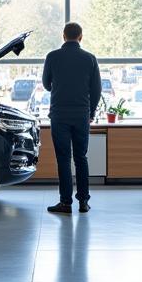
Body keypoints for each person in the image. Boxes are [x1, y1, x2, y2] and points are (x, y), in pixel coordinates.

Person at [42, 22, 102, 214]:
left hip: (59, 114)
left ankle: (65, 202)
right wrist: (90, 113)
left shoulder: (52, 57)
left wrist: (59, 88)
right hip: (81, 115)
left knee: (63, 158)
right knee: (81, 157)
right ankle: (83, 201)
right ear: (81, 37)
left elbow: (46, 83)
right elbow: (96, 90)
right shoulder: (90, 59)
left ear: (63, 36)